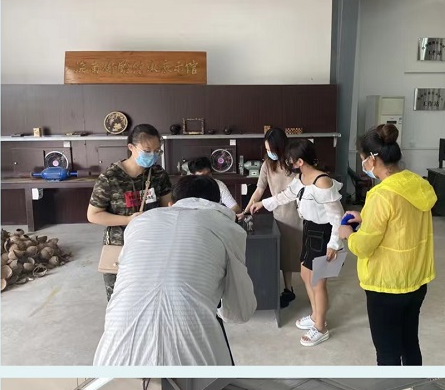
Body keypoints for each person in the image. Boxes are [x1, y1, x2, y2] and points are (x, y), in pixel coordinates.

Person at [93, 175, 256, 367]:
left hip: (113, 356)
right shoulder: (228, 229)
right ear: (216, 202)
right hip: (191, 357)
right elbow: (239, 312)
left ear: (171, 203)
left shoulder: (139, 223)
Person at [338, 123, 437, 366]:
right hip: (416, 280)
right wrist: (365, 217)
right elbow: (401, 222)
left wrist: (348, 234)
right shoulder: (417, 184)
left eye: (363, 160)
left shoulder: (381, 195)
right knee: (409, 343)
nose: (363, 165)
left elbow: (363, 246)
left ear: (372, 160)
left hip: (386, 285)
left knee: (387, 352)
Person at [248, 138, 344, 348]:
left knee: (318, 282)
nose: (287, 163)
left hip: (323, 233)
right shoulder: (301, 178)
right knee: (305, 275)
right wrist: (262, 203)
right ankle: (316, 315)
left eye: (290, 160)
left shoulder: (322, 182)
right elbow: (285, 196)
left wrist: (333, 244)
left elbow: (338, 217)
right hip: (309, 230)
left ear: (300, 161)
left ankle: (321, 327)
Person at [87, 123, 172, 303]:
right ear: (131, 147)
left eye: (157, 151)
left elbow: (167, 206)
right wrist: (128, 220)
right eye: (147, 151)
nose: (153, 155)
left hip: (152, 245)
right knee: (119, 300)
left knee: (151, 297)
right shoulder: (110, 178)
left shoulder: (158, 174)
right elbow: (93, 215)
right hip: (120, 246)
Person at [239, 126, 302, 308]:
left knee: (295, 254)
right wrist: (246, 210)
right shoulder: (267, 164)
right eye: (267, 149)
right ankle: (288, 289)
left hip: (297, 214)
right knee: (281, 253)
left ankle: (296, 289)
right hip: (279, 214)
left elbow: (294, 191)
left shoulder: (294, 163)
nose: (269, 153)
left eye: (272, 149)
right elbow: (259, 190)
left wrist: (264, 203)